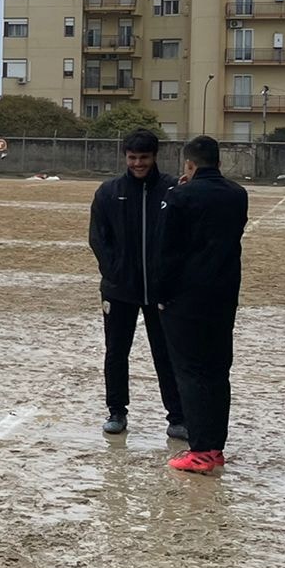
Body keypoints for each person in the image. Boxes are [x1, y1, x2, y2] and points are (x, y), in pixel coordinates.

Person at [153, 136, 248, 474]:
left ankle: (201, 449)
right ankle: (215, 446)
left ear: (189, 165)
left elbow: (167, 251)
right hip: (223, 295)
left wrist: (160, 295)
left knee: (190, 373)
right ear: (218, 162)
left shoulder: (179, 196)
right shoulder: (238, 194)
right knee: (218, 371)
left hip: (186, 298)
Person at [88, 128, 185, 439]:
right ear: (125, 157)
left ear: (155, 156)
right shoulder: (108, 192)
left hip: (161, 291)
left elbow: (185, 238)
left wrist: (168, 276)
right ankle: (117, 411)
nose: (138, 163)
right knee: (116, 351)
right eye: (132, 158)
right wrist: (115, 271)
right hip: (119, 291)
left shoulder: (173, 190)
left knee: (166, 354)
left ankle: (177, 416)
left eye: (144, 158)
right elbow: (98, 238)